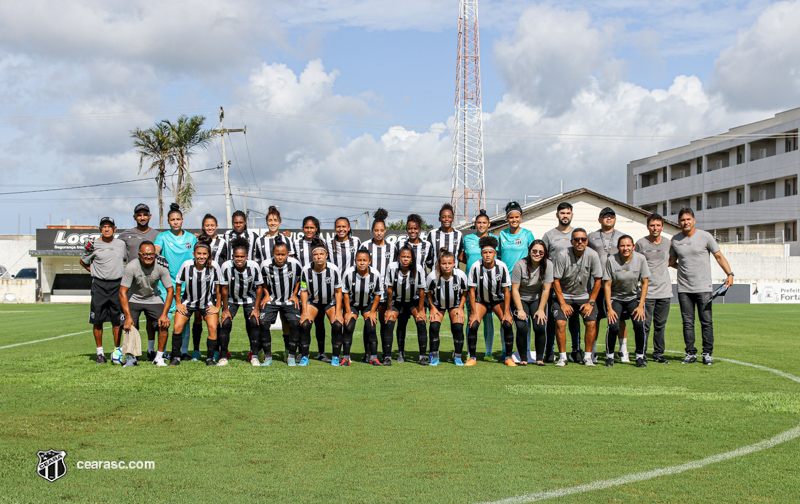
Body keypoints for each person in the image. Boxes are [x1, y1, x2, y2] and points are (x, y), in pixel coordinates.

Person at [669, 208, 734, 365]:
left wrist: (730, 274)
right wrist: (684, 268)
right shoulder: (675, 239)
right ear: (679, 222)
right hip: (684, 288)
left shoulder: (705, 236)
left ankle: (707, 353)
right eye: (683, 220)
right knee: (687, 322)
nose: (686, 222)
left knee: (706, 321)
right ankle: (690, 353)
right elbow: (671, 262)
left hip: (704, 287)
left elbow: (719, 256)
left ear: (694, 220)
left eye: (688, 219)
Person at [552, 228, 603, 367]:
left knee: (591, 323)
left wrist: (591, 302)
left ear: (586, 241)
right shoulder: (563, 255)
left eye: (583, 239)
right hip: (565, 295)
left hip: (584, 296)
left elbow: (598, 279)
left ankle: (588, 356)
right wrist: (562, 303)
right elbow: (555, 280)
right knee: (561, 323)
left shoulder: (593, 255)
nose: (580, 242)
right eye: (576, 239)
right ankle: (562, 357)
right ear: (571, 241)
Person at [119, 241, 174, 366]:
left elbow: (170, 290)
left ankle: (158, 357)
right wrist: (128, 317)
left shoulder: (161, 267)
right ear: (139, 254)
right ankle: (130, 358)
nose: (148, 256)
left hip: (153, 298)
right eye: (145, 254)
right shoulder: (131, 267)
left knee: (164, 324)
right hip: (133, 298)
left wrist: (165, 314)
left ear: (155, 254)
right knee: (129, 325)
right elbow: (122, 292)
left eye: (151, 254)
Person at [80, 216, 126, 364]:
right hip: (99, 285)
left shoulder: (121, 244)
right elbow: (83, 261)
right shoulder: (93, 245)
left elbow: (128, 258)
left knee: (117, 320)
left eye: (109, 226)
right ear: (100, 229)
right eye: (104, 226)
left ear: (114, 229)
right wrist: (94, 271)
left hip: (117, 285)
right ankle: (100, 352)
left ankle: (117, 350)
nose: (107, 229)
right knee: (97, 320)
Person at [169, 238, 222, 366]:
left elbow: (220, 287)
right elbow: (178, 284)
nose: (201, 256)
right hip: (188, 303)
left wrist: (218, 306)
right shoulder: (187, 265)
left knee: (213, 327)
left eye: (204, 254)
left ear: (208, 254)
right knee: (177, 327)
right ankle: (175, 357)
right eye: (199, 254)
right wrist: (178, 303)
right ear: (194, 254)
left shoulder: (214, 266)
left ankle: (210, 358)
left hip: (207, 303)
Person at [117, 203, 160, 360]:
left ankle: (150, 349)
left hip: (151, 284)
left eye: (145, 214)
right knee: (131, 320)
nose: (142, 217)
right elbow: (115, 251)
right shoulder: (125, 234)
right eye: (139, 215)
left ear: (150, 216)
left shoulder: (157, 235)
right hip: (132, 284)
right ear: (134, 217)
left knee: (151, 319)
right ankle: (131, 353)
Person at [154, 203, 197, 360]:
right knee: (165, 319)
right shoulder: (163, 237)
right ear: (168, 221)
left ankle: (183, 351)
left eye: (178, 219)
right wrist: (155, 252)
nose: (176, 222)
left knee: (184, 320)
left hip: (186, 286)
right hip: (166, 286)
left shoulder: (190, 238)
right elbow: (156, 249)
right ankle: (162, 352)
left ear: (182, 220)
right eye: (172, 219)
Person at [541, 202, 580, 363]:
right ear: (557, 215)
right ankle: (550, 351)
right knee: (553, 320)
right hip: (552, 284)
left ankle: (576, 350)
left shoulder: (578, 235)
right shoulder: (549, 235)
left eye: (568, 213)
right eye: (562, 213)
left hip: (573, 285)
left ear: (572, 215)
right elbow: (542, 258)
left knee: (574, 319)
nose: (565, 215)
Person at [603, 236, 650, 367]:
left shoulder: (640, 259)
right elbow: (607, 284)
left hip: (633, 298)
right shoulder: (611, 260)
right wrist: (609, 308)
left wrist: (641, 305)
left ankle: (640, 356)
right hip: (616, 298)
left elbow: (645, 282)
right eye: (623, 246)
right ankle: (610, 356)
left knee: (639, 324)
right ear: (618, 247)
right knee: (613, 326)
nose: (626, 248)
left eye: (628, 245)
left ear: (633, 247)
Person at [587, 207, 626, 363]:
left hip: (616, 284)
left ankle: (622, 350)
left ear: (615, 219)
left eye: (611, 216)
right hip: (596, 284)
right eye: (605, 216)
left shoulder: (622, 236)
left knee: (620, 318)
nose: (608, 219)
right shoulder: (591, 237)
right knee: (595, 318)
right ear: (599, 219)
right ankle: (593, 350)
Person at [467, 236, 513, 367]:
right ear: (481, 254)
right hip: (481, 300)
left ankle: (508, 357)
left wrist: (507, 312)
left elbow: (506, 290)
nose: (488, 255)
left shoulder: (502, 266)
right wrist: (473, 312)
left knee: (507, 323)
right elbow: (471, 290)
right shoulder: (475, 266)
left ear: (495, 253)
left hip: (498, 300)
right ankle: (472, 357)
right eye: (485, 252)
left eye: (490, 252)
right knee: (473, 324)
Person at [498, 201, 534, 362]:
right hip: (505, 284)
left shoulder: (527, 234)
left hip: (523, 283)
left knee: (524, 318)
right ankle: (506, 350)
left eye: (517, 217)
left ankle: (524, 350)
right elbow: (498, 257)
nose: (514, 220)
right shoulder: (502, 235)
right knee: (505, 318)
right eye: (511, 217)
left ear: (521, 217)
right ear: (507, 218)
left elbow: (534, 256)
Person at [461, 210, 499, 361]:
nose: (481, 225)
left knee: (488, 318)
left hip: (489, 285)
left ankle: (488, 352)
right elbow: (463, 257)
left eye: (484, 222)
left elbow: (498, 257)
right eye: (479, 222)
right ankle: (468, 352)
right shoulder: (468, 238)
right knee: (472, 317)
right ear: (475, 224)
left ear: (489, 224)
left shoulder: (495, 239)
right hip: (472, 285)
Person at [219, 237, 264, 367]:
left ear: (246, 256)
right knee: (226, 322)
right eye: (237, 256)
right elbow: (224, 288)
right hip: (232, 299)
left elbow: (259, 287)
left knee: (253, 322)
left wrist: (256, 309)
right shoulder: (226, 266)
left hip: (249, 297)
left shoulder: (254, 266)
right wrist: (225, 309)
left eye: (242, 256)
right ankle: (223, 356)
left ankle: (254, 355)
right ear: (233, 256)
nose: (239, 259)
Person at [299, 239, 343, 367]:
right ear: (312, 256)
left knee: (337, 324)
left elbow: (338, 291)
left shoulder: (333, 269)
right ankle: (304, 356)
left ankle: (335, 357)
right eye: (316, 254)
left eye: (321, 254)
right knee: (305, 324)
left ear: (326, 256)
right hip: (314, 302)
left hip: (330, 302)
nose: (319, 257)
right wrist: (304, 312)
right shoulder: (306, 270)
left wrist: (338, 312)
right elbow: (303, 291)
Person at [259, 237, 303, 366]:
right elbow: (263, 282)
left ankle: (290, 355)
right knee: (263, 323)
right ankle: (267, 356)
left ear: (287, 253)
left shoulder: (294, 263)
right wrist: (266, 295)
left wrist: (295, 295)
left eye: (283, 254)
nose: (280, 257)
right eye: (277, 254)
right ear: (273, 254)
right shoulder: (266, 265)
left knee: (295, 323)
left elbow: (301, 279)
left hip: (289, 300)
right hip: (272, 300)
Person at [635, 214, 672, 364]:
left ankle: (658, 354)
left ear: (662, 227)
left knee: (660, 326)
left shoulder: (668, 243)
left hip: (664, 291)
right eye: (652, 225)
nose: (655, 228)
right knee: (645, 325)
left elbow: (672, 260)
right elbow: (635, 264)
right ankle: (641, 354)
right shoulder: (641, 244)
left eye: (658, 225)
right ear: (647, 226)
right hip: (647, 292)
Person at [294, 216, 331, 362]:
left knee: (320, 323)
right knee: (303, 322)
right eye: (306, 227)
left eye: (312, 227)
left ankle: (321, 353)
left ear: (316, 229)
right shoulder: (297, 243)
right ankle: (302, 352)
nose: (309, 230)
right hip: (303, 287)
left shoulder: (323, 243)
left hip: (320, 289)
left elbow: (328, 264)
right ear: (303, 228)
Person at [384, 243, 428, 365]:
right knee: (390, 322)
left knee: (421, 321)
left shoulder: (418, 268)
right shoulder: (392, 267)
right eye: (403, 256)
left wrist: (421, 309)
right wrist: (388, 309)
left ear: (412, 258)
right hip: (397, 301)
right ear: (399, 257)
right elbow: (389, 290)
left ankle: (422, 357)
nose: (405, 259)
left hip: (413, 301)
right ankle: (389, 356)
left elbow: (421, 290)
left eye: (408, 257)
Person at [511, 240, 552, 366]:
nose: (537, 254)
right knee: (522, 326)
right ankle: (523, 358)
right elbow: (515, 289)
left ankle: (539, 358)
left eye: (541, 252)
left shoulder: (548, 265)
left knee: (539, 325)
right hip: (521, 298)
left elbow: (546, 289)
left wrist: (541, 309)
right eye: (534, 251)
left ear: (544, 253)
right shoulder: (520, 265)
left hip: (537, 298)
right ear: (529, 251)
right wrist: (520, 310)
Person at [192, 214, 228, 360]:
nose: (210, 227)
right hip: (200, 284)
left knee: (214, 318)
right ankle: (196, 349)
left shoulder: (223, 242)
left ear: (216, 226)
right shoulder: (198, 240)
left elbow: (226, 261)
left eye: (212, 225)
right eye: (207, 225)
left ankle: (215, 350)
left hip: (215, 285)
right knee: (198, 317)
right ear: (203, 227)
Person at [361, 208, 396, 360]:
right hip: (369, 292)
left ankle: (385, 354)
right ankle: (368, 353)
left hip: (386, 291)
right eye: (376, 230)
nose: (379, 233)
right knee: (369, 323)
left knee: (385, 323)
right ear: (372, 230)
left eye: (381, 230)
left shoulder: (392, 247)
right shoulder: (365, 246)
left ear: (385, 230)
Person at [341, 248, 385, 366]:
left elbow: (377, 294)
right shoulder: (349, 273)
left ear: (369, 261)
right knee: (348, 326)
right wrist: (348, 311)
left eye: (364, 260)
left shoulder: (375, 274)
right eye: (359, 260)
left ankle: (373, 357)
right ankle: (345, 357)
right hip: (352, 304)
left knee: (371, 327)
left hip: (368, 304)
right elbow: (344, 293)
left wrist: (372, 311)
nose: (362, 263)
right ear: (355, 261)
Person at [425, 249, 468, 366]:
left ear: (454, 263)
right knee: (434, 326)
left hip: (455, 305)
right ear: (439, 263)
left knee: (458, 326)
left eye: (449, 263)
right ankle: (434, 356)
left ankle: (457, 356)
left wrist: (460, 308)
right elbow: (427, 291)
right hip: (438, 305)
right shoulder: (433, 276)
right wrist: (432, 307)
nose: (447, 266)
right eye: (444, 263)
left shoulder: (460, 275)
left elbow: (465, 292)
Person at [426, 203, 463, 270]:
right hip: (436, 275)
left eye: (449, 217)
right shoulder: (432, 234)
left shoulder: (458, 234)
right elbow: (428, 258)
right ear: (439, 219)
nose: (446, 219)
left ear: (453, 219)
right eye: (443, 217)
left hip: (454, 275)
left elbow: (460, 256)